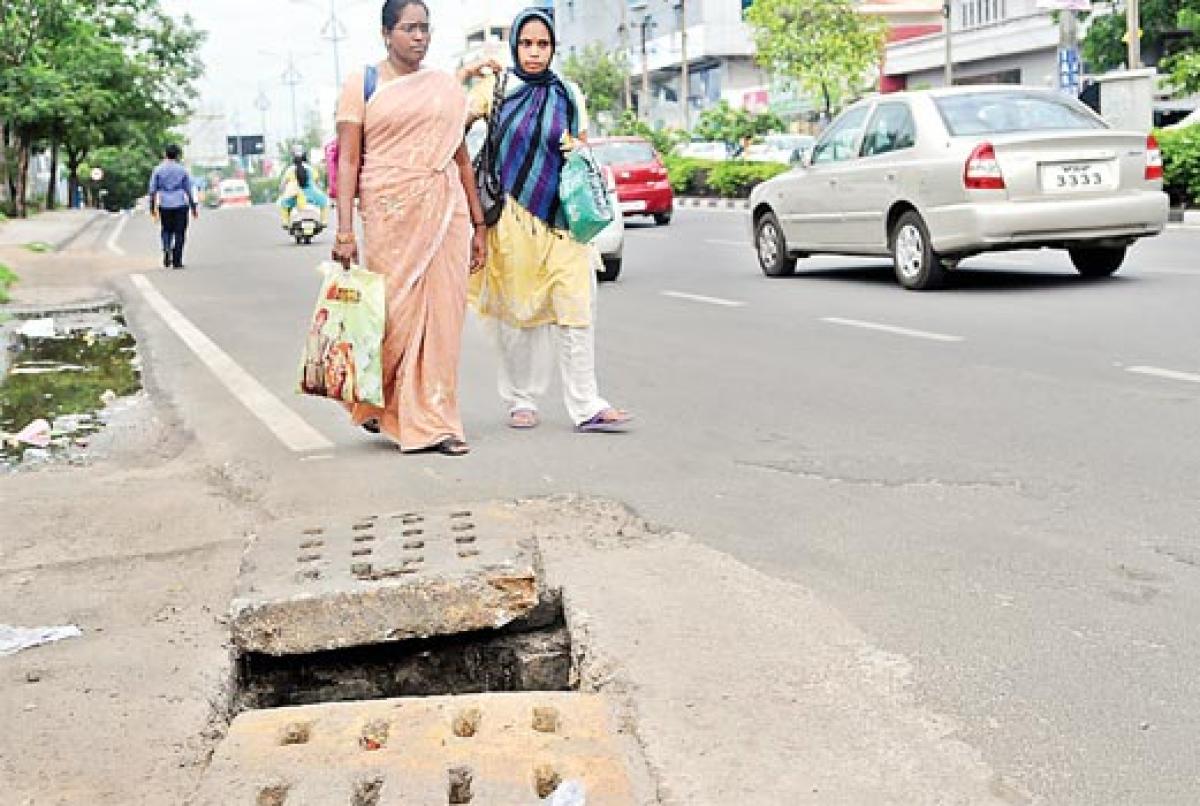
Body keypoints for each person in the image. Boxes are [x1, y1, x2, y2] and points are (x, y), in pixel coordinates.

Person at [330, 0, 487, 456]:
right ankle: (382, 401)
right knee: (394, 316)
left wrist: (478, 223)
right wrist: (344, 231)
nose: (419, 37)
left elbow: (459, 157)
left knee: (442, 316)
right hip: (389, 214)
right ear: (386, 33)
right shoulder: (363, 82)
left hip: (446, 210)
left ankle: (435, 420)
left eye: (425, 29)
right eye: (409, 28)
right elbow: (350, 161)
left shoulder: (442, 88)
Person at [464, 7, 631, 433]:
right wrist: (465, 71)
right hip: (512, 220)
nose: (535, 53)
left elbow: (582, 147)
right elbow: (448, 126)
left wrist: (577, 152)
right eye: (527, 44)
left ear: (553, 48)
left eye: (543, 44)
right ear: (515, 46)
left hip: (562, 219)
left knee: (576, 308)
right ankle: (521, 400)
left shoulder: (567, 92)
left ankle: (586, 404)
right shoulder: (495, 88)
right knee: (518, 319)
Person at [147, 144, 199, 269]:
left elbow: (152, 190)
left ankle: (166, 248)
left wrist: (152, 206)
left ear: (165, 154)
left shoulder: (158, 170)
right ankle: (177, 260)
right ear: (177, 156)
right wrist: (193, 208)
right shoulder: (182, 170)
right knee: (180, 232)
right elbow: (188, 189)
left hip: (164, 204)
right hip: (180, 203)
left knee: (166, 229)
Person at [278, 147, 330, 227]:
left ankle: (286, 222)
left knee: (283, 204)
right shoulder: (311, 169)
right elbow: (319, 184)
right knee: (325, 202)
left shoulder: (290, 170)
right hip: (312, 197)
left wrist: (282, 193)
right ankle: (324, 221)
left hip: (294, 198)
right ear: (305, 157)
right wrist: (323, 191)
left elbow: (282, 186)